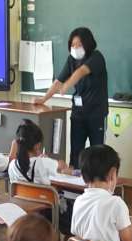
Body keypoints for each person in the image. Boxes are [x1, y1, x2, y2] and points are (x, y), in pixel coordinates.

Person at [34, 27, 108, 168]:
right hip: (78, 114)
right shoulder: (71, 60)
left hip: (96, 114)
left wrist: (67, 85)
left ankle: (95, 180)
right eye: (73, 45)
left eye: (79, 45)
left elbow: (81, 72)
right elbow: (58, 81)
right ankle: (74, 180)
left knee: (97, 154)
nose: (75, 48)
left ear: (87, 44)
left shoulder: (96, 57)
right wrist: (44, 99)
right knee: (75, 154)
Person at [8, 119, 71, 185]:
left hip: (20, 192)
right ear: (37, 145)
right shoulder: (40, 162)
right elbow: (47, 185)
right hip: (40, 192)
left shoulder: (12, 165)